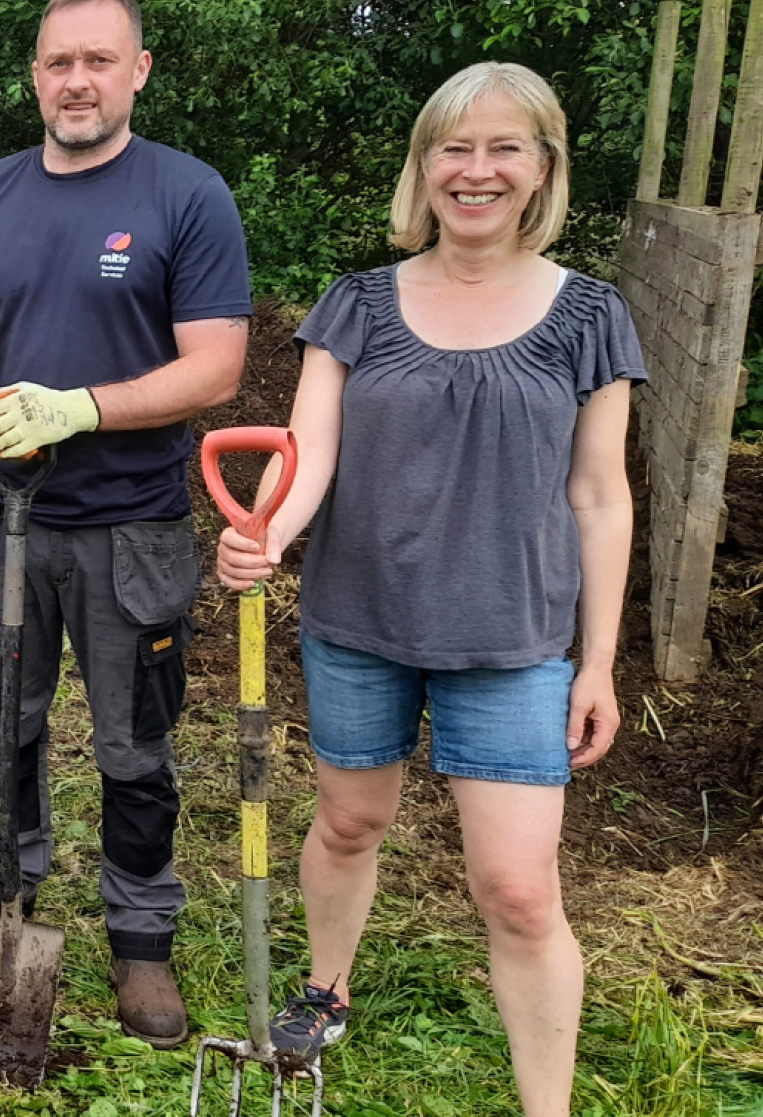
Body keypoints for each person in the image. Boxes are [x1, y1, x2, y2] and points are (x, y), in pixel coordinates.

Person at [215, 62, 639, 1114]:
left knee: (517, 888)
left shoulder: (591, 316)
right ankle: (324, 983)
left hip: (513, 641)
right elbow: (307, 446)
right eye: (455, 147)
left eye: (505, 148)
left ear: (542, 170)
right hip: (360, 624)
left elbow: (599, 497)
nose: (477, 169)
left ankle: (548, 1105)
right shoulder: (359, 303)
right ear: (425, 166)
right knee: (349, 822)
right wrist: (266, 532)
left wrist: (598, 662)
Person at [0, 0, 251, 1046]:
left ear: (137, 70)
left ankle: (140, 938)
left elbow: (218, 368)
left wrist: (82, 407)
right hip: (1, 519)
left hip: (130, 527)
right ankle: (1, 892)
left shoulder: (186, 196)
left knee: (135, 741)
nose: (78, 80)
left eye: (99, 60)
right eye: (59, 62)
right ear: (35, 75)